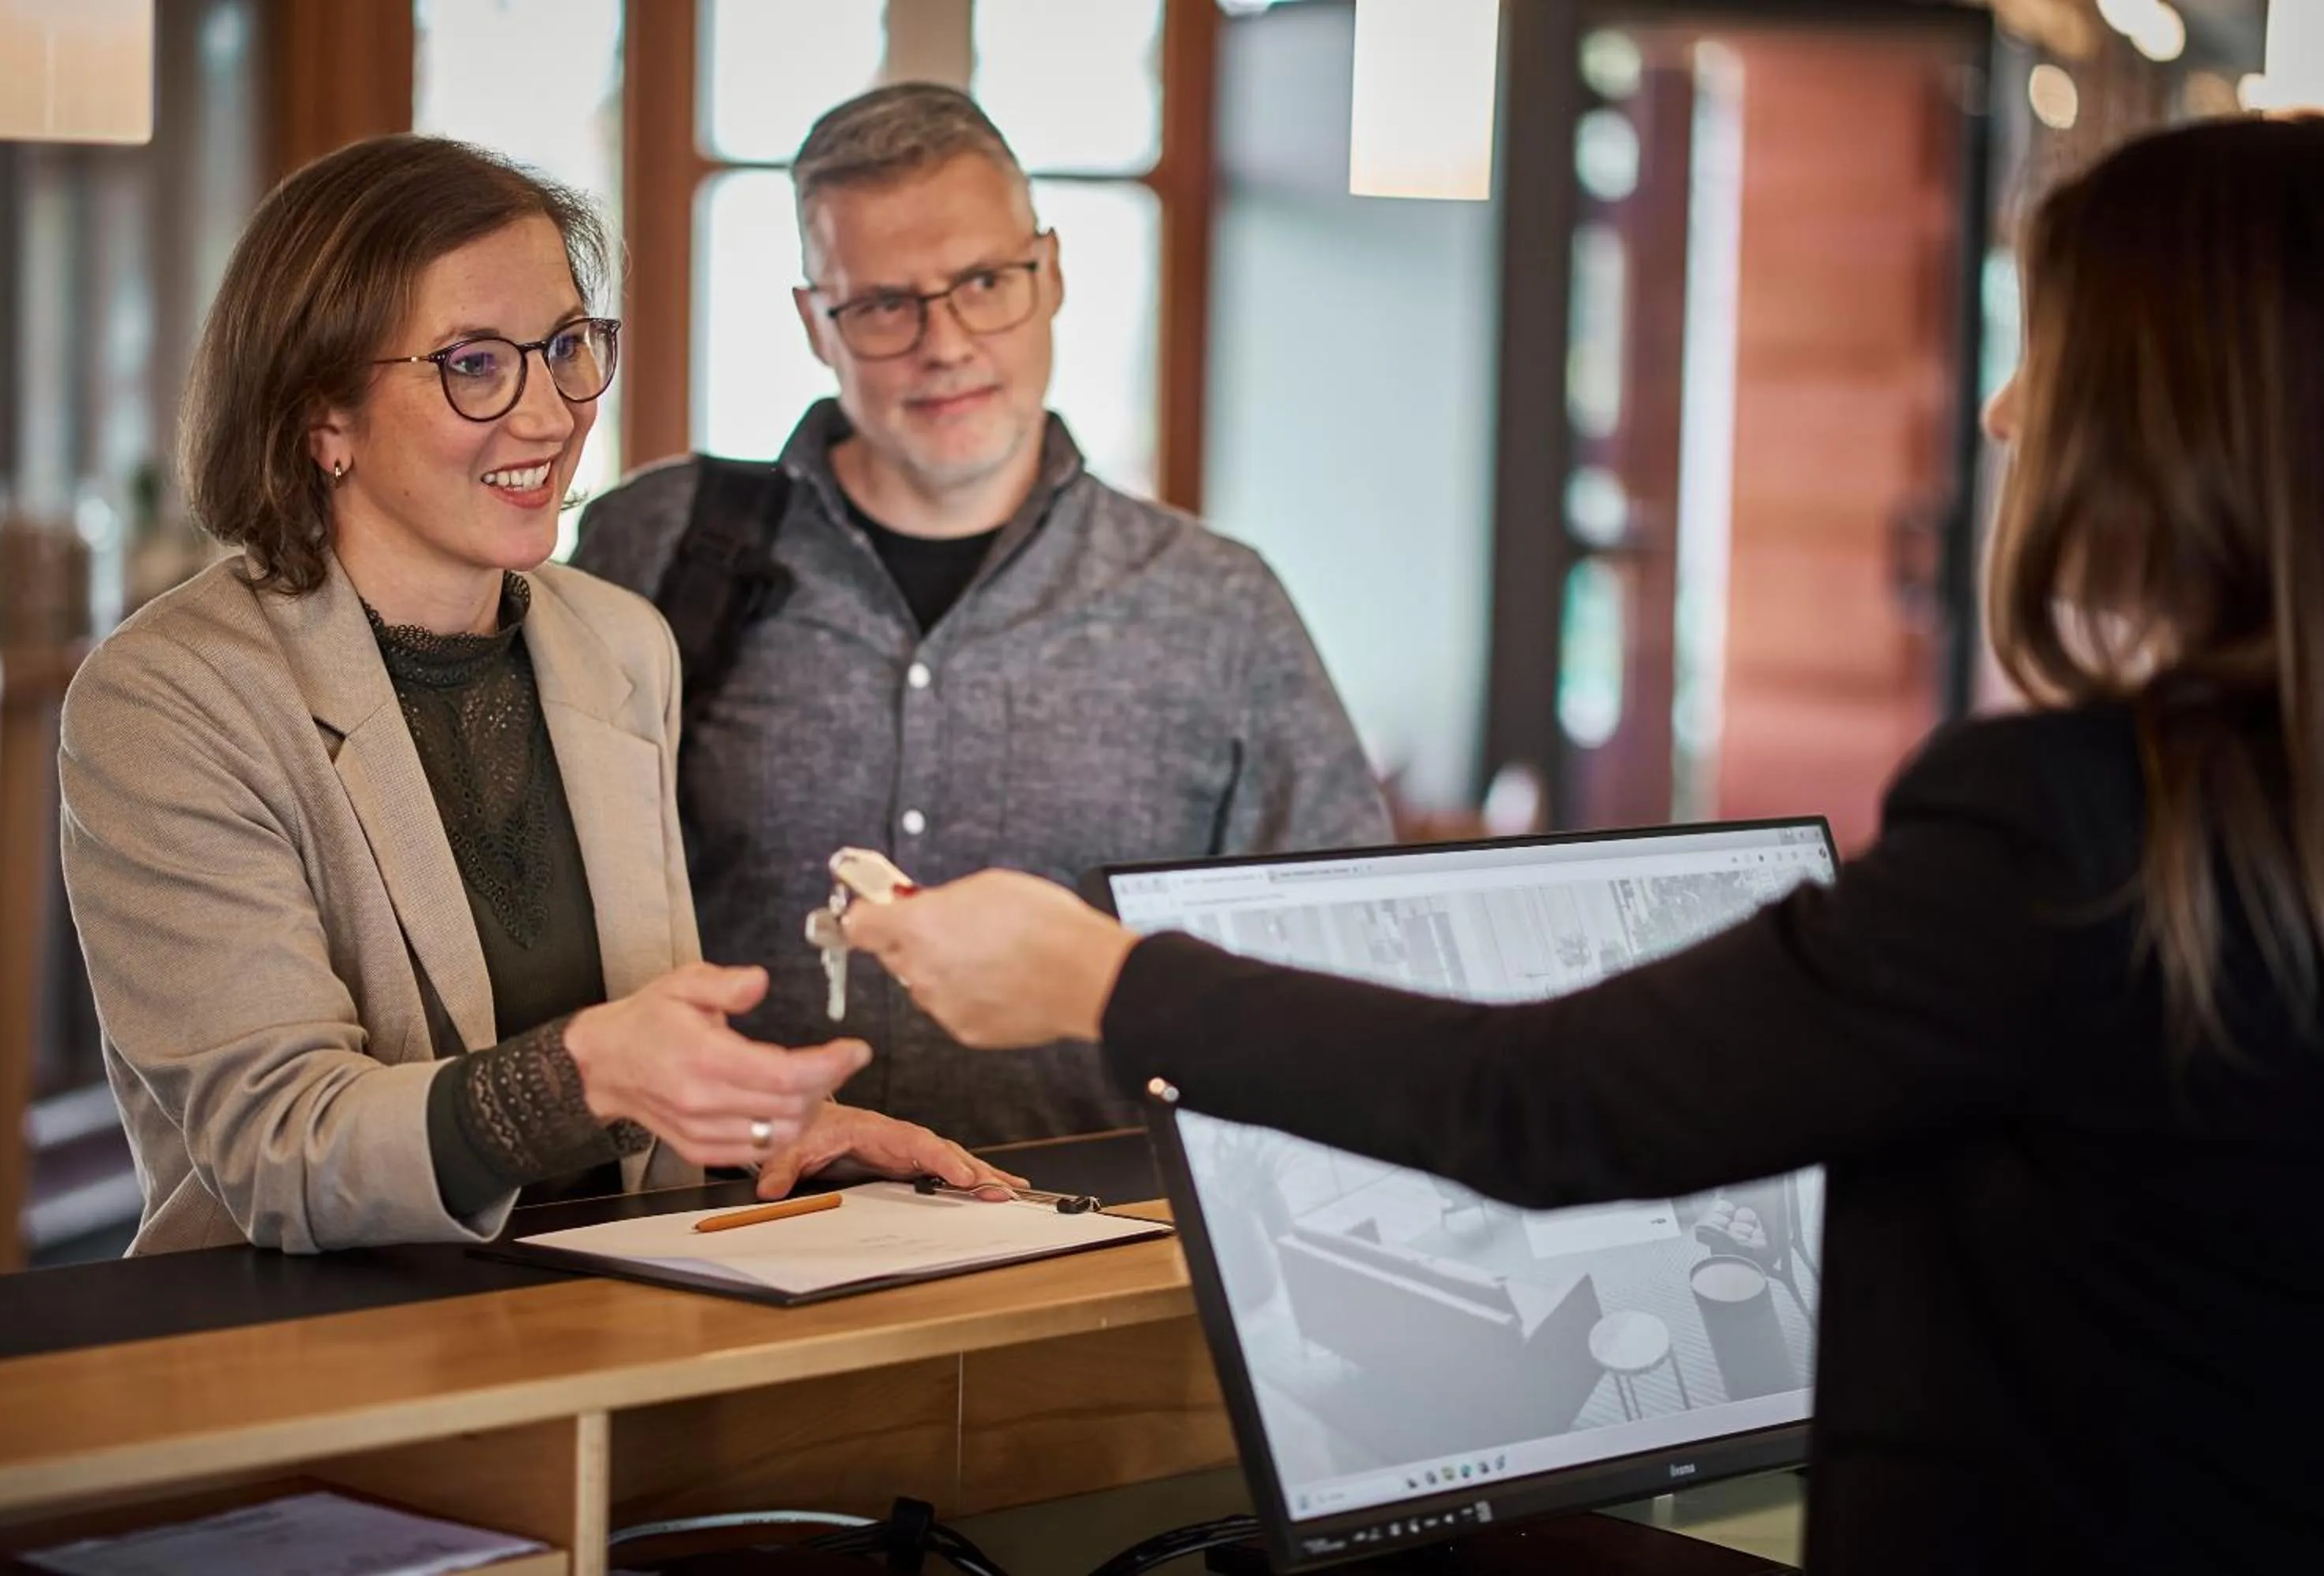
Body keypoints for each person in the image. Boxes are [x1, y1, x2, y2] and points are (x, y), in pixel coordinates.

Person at [841, 117, 2324, 1574]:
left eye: (2048, 352)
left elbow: (1551, 1104)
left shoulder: (2068, 829)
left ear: (2176, 412)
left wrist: (1111, 981)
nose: (2003, 415)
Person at [58, 135, 1016, 1257]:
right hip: (309, 1367)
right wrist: (584, 1072)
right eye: (473, 362)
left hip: (615, 1335)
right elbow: (280, 1149)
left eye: (567, 345)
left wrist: (776, 1126)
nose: (552, 413)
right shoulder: (170, 699)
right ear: (323, 415)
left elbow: (638, 1126)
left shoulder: (619, 644)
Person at [570, 84, 1389, 1150]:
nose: (945, 343)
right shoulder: (656, 545)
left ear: (1050, 275)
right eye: (883, 305)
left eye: (986, 282)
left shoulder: (1221, 606)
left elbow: (1335, 960)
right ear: (818, 323)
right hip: (714, 1233)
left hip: (1094, 1243)